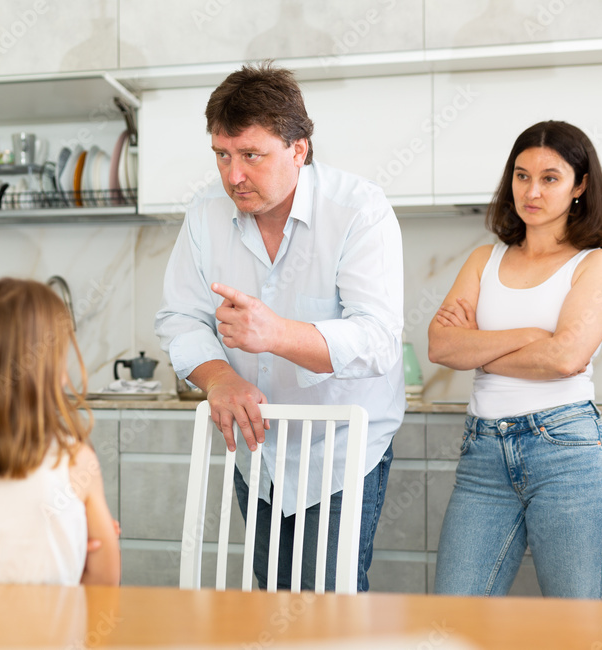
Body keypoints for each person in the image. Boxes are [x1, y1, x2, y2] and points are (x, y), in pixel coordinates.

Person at [155, 62, 405, 592]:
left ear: (298, 149)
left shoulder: (359, 210)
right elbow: (180, 317)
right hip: (259, 454)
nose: (233, 175)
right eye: (222, 155)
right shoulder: (204, 214)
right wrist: (220, 378)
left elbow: (379, 341)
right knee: (270, 606)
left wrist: (278, 334)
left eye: (251, 155)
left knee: (327, 609)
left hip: (340, 455)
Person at [429, 120, 602, 598]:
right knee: (454, 619)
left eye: (549, 178)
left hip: (567, 453)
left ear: (580, 186)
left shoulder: (595, 263)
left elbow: (565, 358)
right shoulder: (484, 259)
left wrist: (478, 349)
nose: (531, 191)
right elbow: (440, 345)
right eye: (522, 176)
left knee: (572, 626)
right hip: (482, 457)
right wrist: (528, 337)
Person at [0, 278, 121, 585]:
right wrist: (76, 550)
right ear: (54, 370)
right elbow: (104, 586)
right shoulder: (73, 460)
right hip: (51, 620)